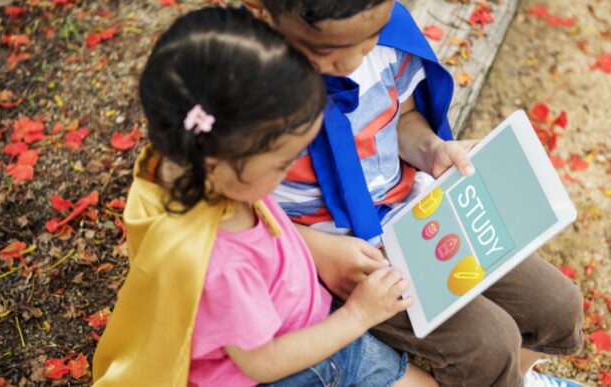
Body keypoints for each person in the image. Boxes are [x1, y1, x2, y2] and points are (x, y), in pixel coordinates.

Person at [241, 1, 585, 385]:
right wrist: (315, 251)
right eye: (330, 51)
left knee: (555, 304)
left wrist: (433, 150)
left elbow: (402, 119)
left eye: (368, 41)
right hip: (327, 258)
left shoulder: (383, 37)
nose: (355, 62)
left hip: (412, 216)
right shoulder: (242, 89)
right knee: (488, 342)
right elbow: (226, 205)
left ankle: (517, 377)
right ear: (261, 11)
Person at [92, 7, 437, 386]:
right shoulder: (219, 265)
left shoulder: (214, 174)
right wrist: (357, 316)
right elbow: (264, 363)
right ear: (219, 161)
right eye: (282, 164)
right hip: (301, 366)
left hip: (313, 326)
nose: (290, 173)